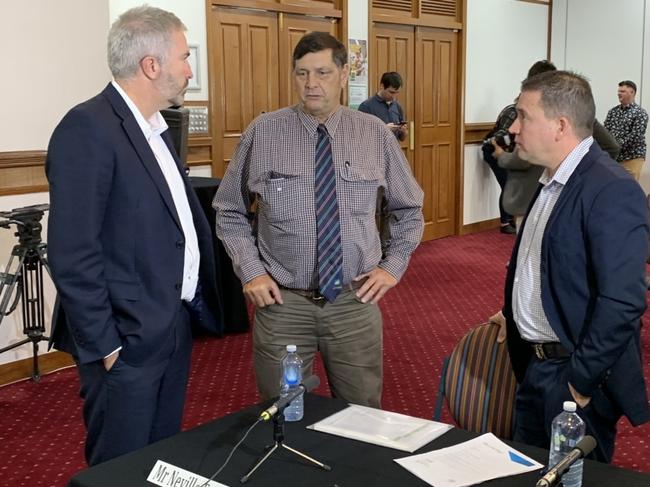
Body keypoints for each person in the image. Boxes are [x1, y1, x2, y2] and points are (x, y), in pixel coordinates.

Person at [46, 6, 222, 465]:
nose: (189, 70)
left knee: (159, 458)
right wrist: (107, 347)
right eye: (185, 58)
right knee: (119, 468)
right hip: (125, 340)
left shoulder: (156, 129)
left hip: (169, 325)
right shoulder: (88, 128)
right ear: (151, 65)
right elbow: (72, 253)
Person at [214, 32, 424, 408]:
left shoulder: (374, 134)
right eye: (302, 73)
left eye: (323, 72)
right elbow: (229, 209)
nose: (311, 84)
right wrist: (251, 271)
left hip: (353, 302)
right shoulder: (263, 132)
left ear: (344, 74)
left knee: (362, 415)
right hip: (282, 305)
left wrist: (392, 267)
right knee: (282, 413)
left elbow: (408, 210)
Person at [501, 70, 649, 463]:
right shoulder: (551, 179)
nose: (514, 128)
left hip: (573, 378)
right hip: (534, 367)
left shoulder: (611, 188)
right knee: (528, 472)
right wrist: (515, 312)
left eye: (523, 116)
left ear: (560, 125)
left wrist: (580, 381)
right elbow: (549, 265)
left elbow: (623, 302)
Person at [492, 60, 620, 229]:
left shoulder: (617, 190)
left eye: (524, 117)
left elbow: (520, 160)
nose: (515, 128)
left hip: (532, 199)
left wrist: (501, 156)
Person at [604, 80, 649, 180]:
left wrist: (615, 146)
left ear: (632, 92)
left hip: (632, 157)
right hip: (615, 158)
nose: (619, 93)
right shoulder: (613, 112)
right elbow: (606, 132)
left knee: (629, 187)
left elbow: (635, 136)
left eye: (623, 91)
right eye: (619, 91)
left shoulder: (640, 113)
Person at [358, 71, 408, 141]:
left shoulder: (397, 106)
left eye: (397, 93)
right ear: (382, 86)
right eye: (391, 92)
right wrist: (384, 129)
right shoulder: (366, 106)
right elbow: (361, 136)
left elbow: (402, 138)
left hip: (394, 151)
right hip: (375, 151)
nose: (394, 97)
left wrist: (404, 132)